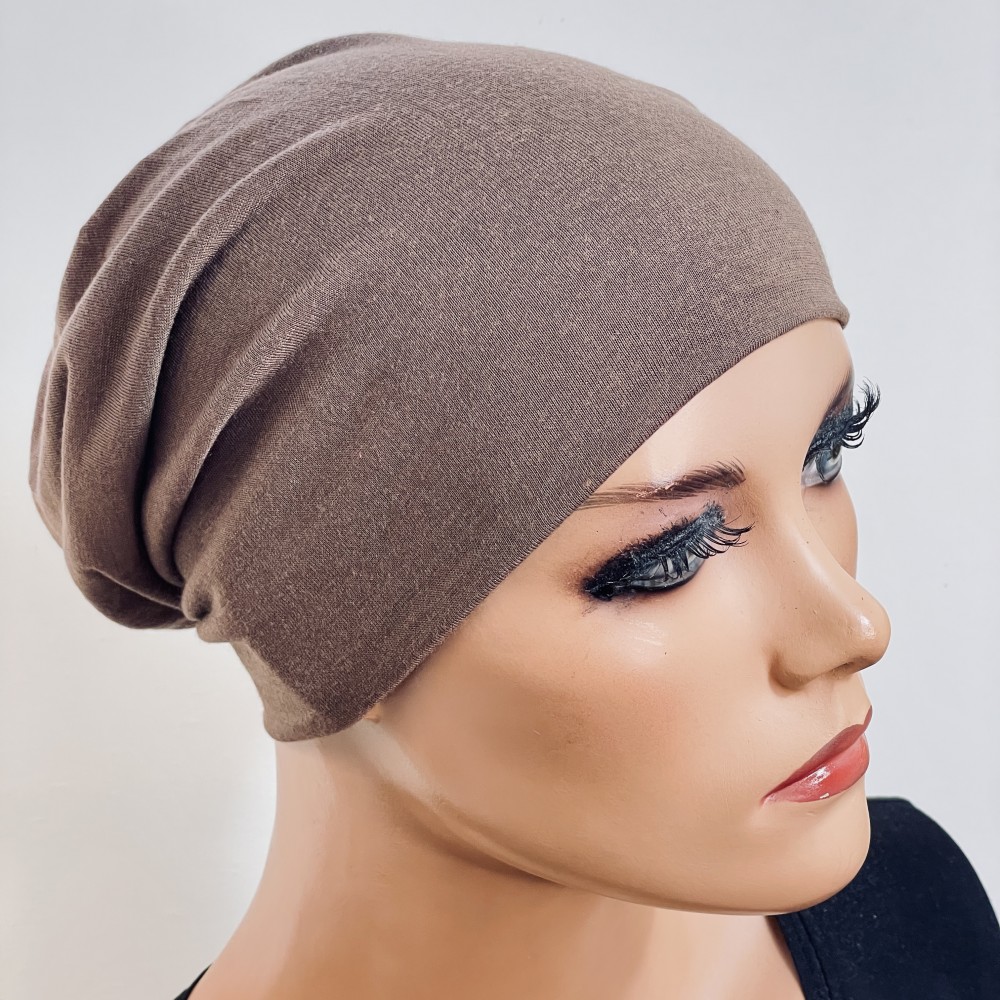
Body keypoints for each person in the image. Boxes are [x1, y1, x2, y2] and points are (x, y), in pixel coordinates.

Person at [27, 32, 1000, 1000]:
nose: (857, 627)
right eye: (669, 557)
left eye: (826, 455)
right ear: (317, 625)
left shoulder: (919, 906)